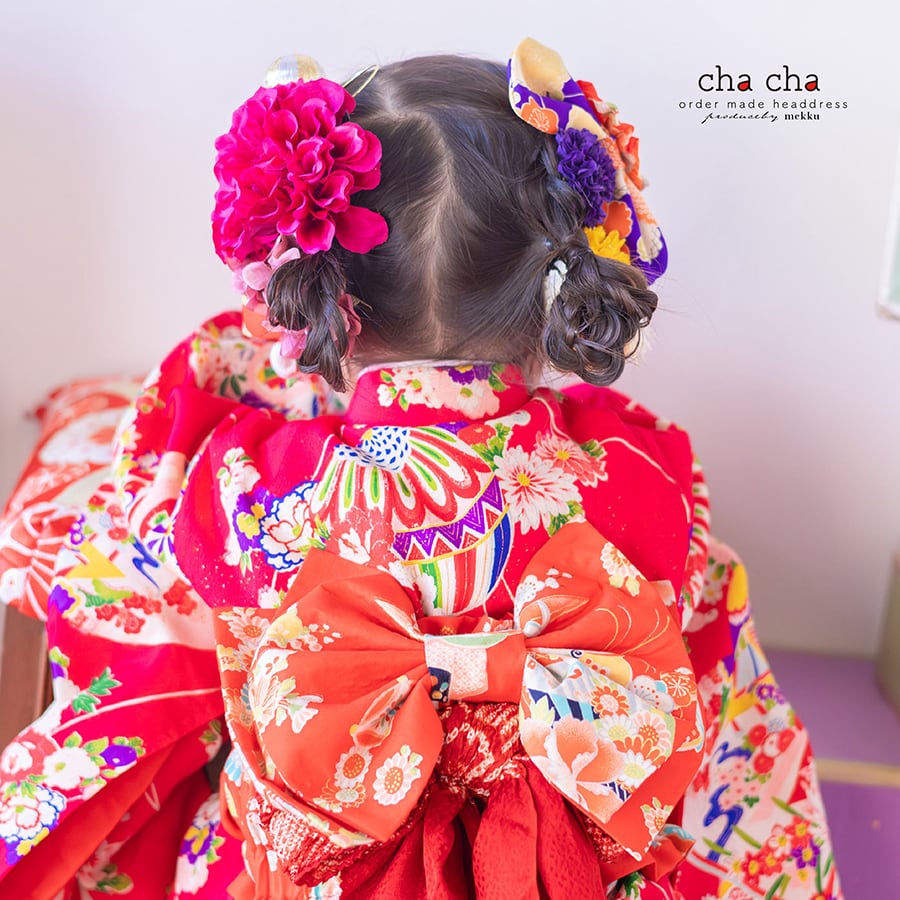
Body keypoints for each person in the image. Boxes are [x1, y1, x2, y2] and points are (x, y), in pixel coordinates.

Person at [0, 38, 841, 900]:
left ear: (323, 299)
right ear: (554, 290)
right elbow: (692, 641)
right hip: (561, 872)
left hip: (322, 868)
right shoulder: (640, 467)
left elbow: (150, 524)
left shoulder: (246, 484)